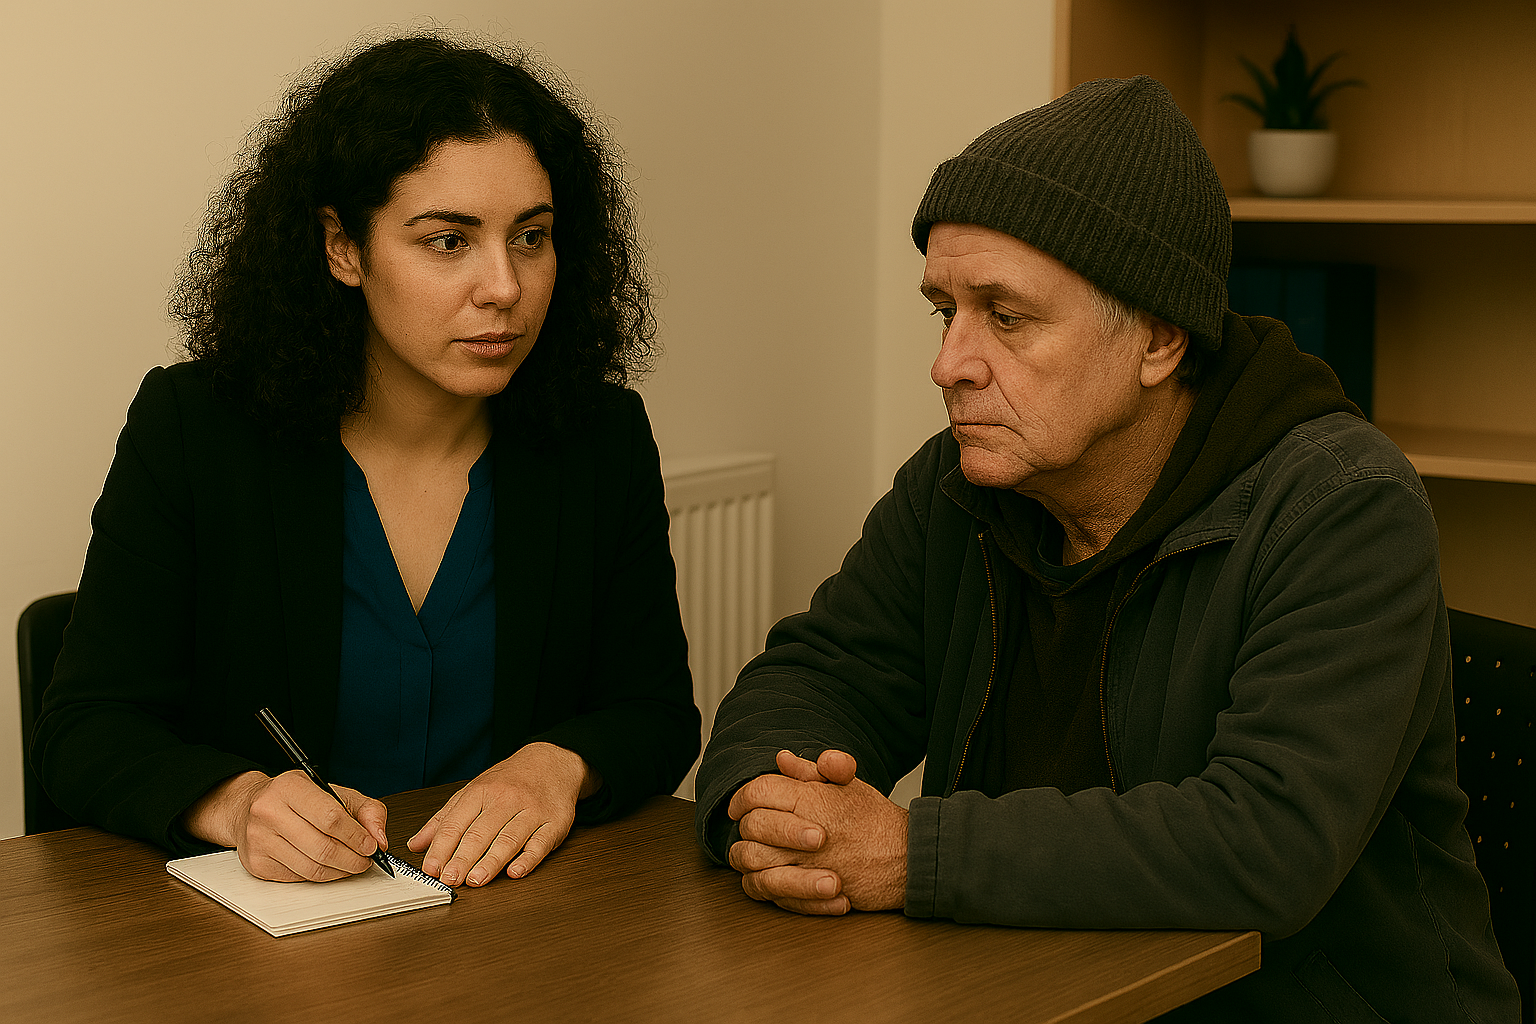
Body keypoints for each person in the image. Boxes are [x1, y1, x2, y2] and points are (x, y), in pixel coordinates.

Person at [694, 76, 1520, 1022]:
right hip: (1047, 990)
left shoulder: (1344, 503)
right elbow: (820, 673)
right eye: (945, 310)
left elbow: (1267, 842)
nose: (949, 363)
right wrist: (774, 807)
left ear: (1159, 340)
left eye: (1007, 316)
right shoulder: (960, 481)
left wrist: (912, 853)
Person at [32, 34, 699, 890]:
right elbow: (85, 728)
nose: (505, 286)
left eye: (531, 237)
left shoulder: (600, 436)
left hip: (511, 921)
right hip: (268, 931)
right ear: (343, 247)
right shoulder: (195, 429)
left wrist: (561, 764)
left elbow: (655, 713)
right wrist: (236, 804)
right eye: (448, 241)